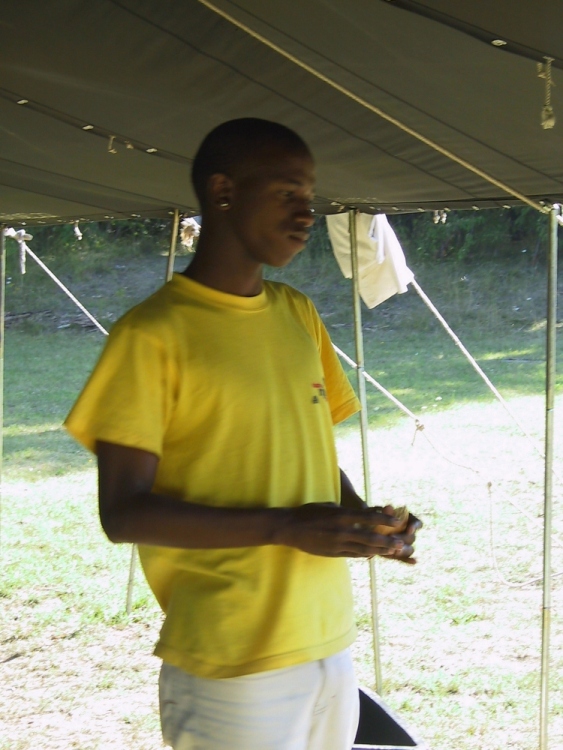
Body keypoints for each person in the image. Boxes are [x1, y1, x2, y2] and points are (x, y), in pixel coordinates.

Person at [65, 118, 421, 750]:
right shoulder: (152, 335)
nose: (306, 213)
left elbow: (307, 454)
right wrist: (285, 527)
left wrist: (361, 520)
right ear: (224, 192)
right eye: (288, 193)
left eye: (310, 196)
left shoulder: (297, 313)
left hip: (327, 641)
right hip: (232, 660)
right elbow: (123, 513)